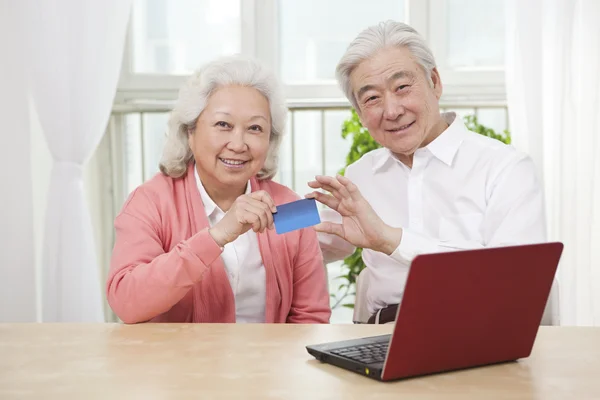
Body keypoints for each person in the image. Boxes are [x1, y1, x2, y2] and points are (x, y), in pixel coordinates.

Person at [307, 20, 546, 324]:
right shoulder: (359, 175)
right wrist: (257, 205)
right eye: (371, 98)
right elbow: (299, 235)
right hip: (381, 336)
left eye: (402, 87)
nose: (391, 110)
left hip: (480, 334)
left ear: (435, 82)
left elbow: (514, 282)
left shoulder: (505, 168)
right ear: (359, 113)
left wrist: (390, 239)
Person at [107, 55, 331, 324]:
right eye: (223, 125)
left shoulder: (291, 207)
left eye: (255, 128)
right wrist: (217, 235)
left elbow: (312, 317)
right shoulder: (149, 202)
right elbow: (127, 302)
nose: (238, 144)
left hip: (269, 364)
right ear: (190, 131)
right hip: (176, 365)